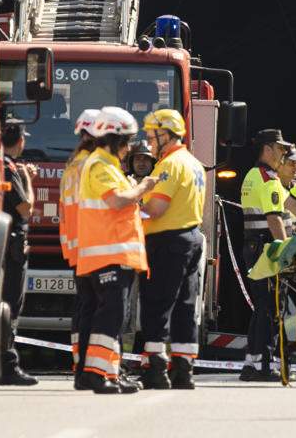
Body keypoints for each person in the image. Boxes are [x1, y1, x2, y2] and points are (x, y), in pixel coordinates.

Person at [73, 107, 159, 394]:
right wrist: (144, 187)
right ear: (114, 139)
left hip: (114, 253)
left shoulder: (108, 165)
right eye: (127, 141)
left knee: (114, 317)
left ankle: (108, 372)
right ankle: (97, 374)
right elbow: (118, 201)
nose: (128, 148)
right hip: (107, 254)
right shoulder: (100, 166)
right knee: (109, 315)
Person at [137, 108, 207, 390]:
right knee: (185, 307)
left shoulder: (169, 165)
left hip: (166, 241)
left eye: (152, 136)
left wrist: (135, 201)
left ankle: (155, 368)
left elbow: (157, 208)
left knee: (157, 305)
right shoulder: (194, 163)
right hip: (191, 238)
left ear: (165, 133)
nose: (149, 142)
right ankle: (183, 368)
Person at [239, 128, 295, 381]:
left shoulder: (252, 175)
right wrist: (286, 251)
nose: (283, 154)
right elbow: (274, 219)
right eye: (281, 148)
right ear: (268, 149)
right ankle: (262, 365)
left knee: (262, 307)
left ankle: (253, 363)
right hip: (266, 250)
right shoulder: (268, 179)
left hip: (254, 247)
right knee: (270, 308)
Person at [0, 121, 40, 386]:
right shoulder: (10, 169)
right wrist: (28, 180)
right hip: (12, 246)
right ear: (21, 141)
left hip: (4, 244)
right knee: (10, 306)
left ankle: (1, 362)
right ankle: (7, 365)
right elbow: (26, 209)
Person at [61, 109, 100, 374]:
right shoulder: (91, 165)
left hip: (77, 248)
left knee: (84, 307)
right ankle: (93, 365)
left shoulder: (73, 165)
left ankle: (81, 361)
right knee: (98, 311)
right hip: (94, 245)